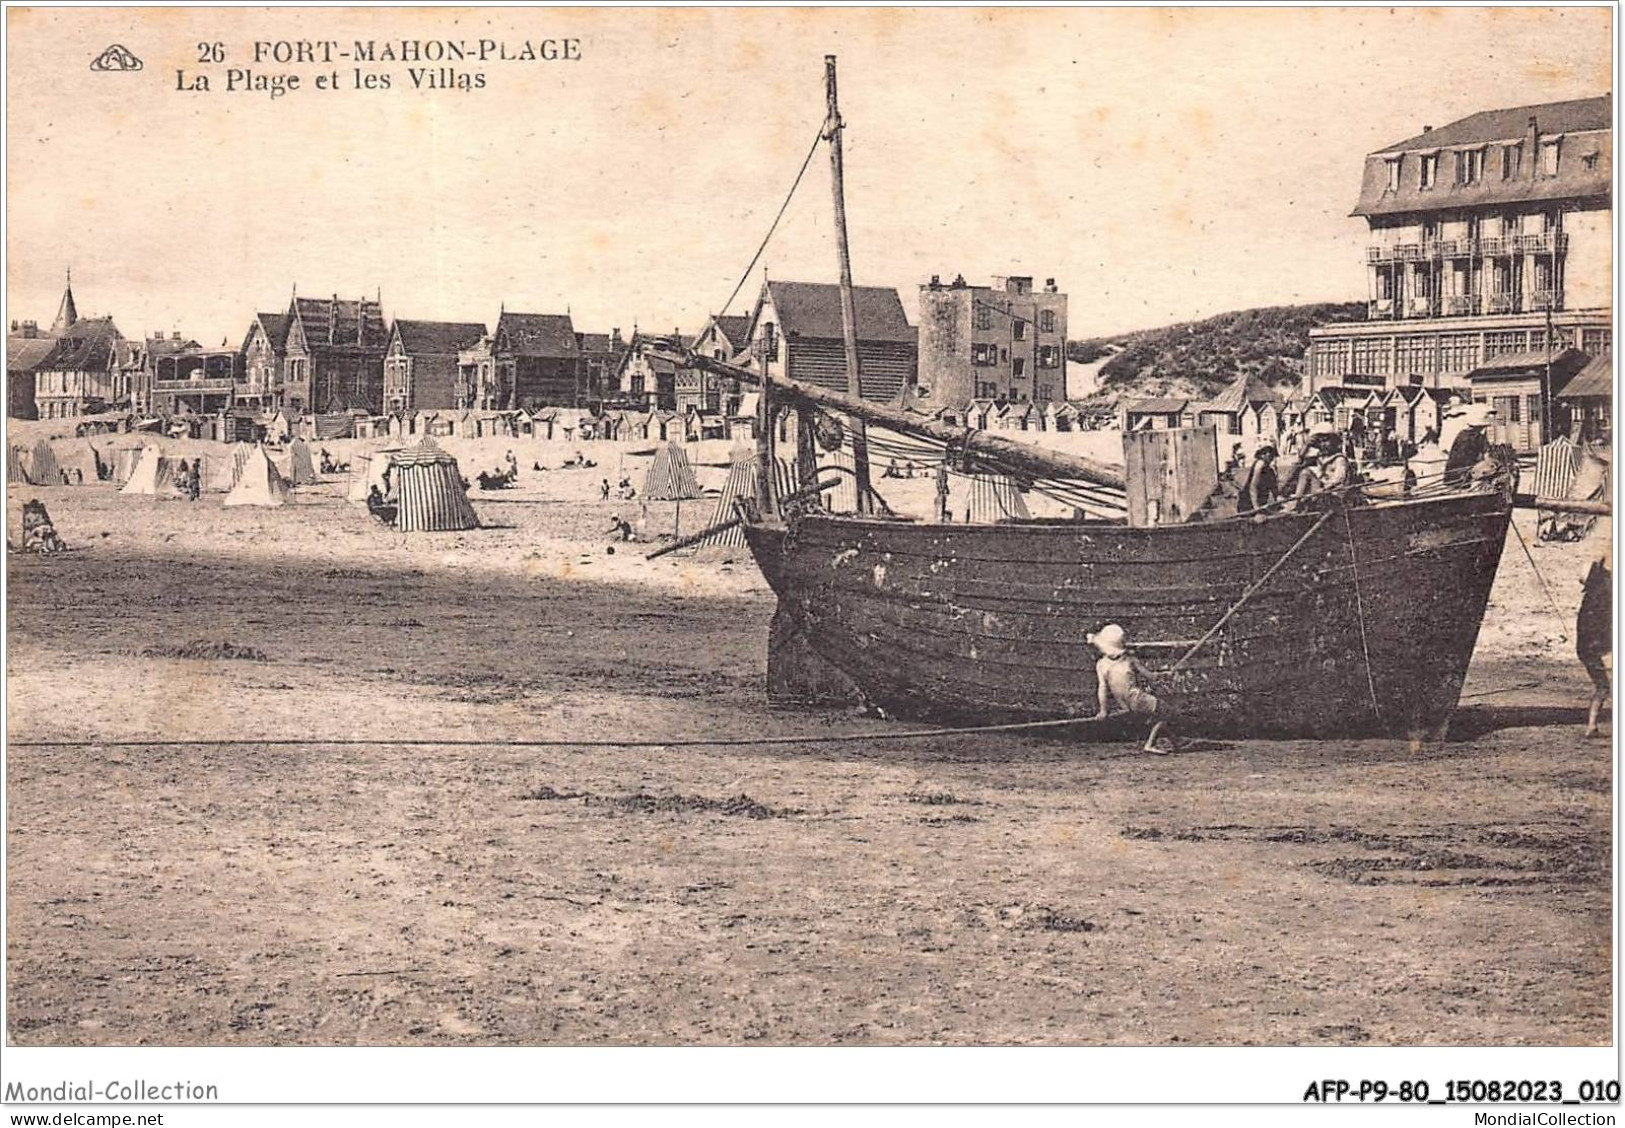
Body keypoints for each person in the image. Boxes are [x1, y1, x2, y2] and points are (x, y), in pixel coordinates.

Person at [1088, 623, 1172, 754]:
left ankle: (1175, 741)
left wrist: (1103, 710)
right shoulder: (1130, 660)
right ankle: (1150, 744)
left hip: (1123, 703)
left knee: (1159, 714)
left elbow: (1102, 688)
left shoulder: (1101, 665)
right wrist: (1164, 675)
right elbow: (1150, 676)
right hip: (1136, 698)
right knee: (1166, 712)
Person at [1578, 541, 1612, 738]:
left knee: (1602, 686)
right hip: (1601, 647)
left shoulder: (1588, 601)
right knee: (1603, 686)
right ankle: (1591, 726)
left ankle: (1592, 726)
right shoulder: (1606, 596)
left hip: (1586, 649)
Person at [1237, 444, 1278, 515]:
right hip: (1249, 503)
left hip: (1260, 503)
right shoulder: (1260, 464)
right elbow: (1253, 487)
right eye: (1269, 454)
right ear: (1263, 455)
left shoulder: (1269, 470)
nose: (1272, 457)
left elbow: (1274, 488)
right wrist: (1256, 509)